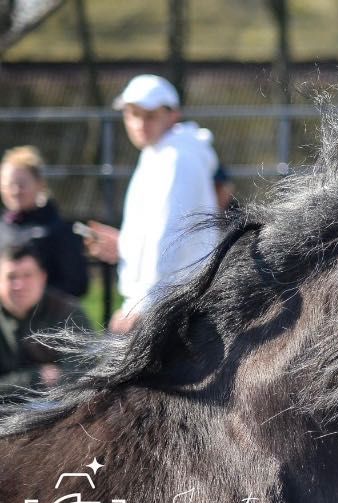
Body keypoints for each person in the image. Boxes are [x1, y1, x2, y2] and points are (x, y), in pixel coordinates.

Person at [83, 74, 219, 334]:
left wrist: (141, 306)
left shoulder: (176, 159)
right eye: (132, 114)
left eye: (150, 115)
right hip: (170, 303)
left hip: (175, 308)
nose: (139, 124)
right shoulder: (159, 154)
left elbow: (170, 236)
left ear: (173, 116)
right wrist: (125, 245)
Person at [0, 240, 92, 403]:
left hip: (55, 415)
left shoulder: (68, 313)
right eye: (11, 277)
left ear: (42, 278)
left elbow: (84, 378)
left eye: (27, 275)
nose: (19, 285)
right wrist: (36, 378)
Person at [0, 145, 89, 298]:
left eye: (22, 184)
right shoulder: (3, 227)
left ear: (40, 184)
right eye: (9, 184)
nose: (15, 191)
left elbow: (77, 284)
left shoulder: (58, 230)